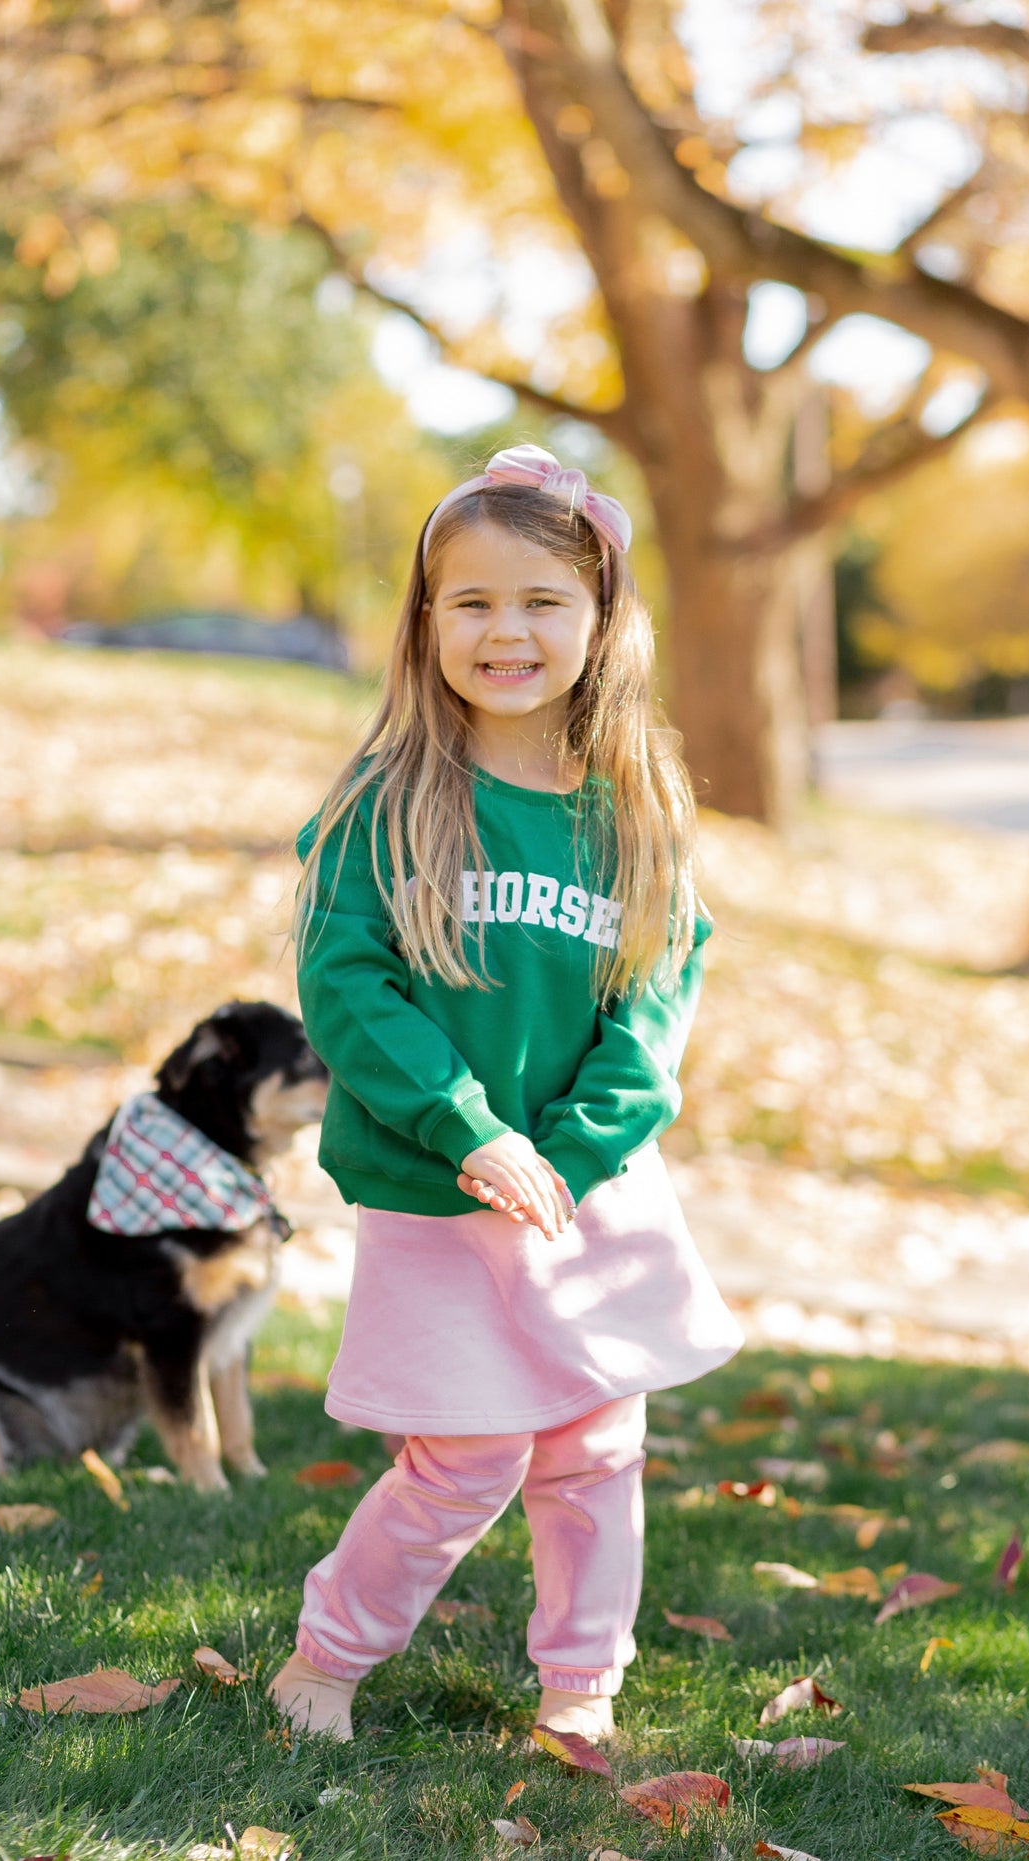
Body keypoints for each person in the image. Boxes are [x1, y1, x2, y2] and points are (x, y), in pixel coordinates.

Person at [266, 443, 742, 1744]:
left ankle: (581, 1688)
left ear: (601, 617)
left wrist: (572, 1157)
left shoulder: (636, 813)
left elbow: (652, 1020)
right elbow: (349, 988)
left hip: (588, 1191)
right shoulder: (386, 800)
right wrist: (467, 1129)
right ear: (426, 622)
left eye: (542, 600)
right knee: (465, 1456)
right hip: (439, 1186)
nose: (506, 631)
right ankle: (326, 1658)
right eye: (470, 601)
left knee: (594, 1447)